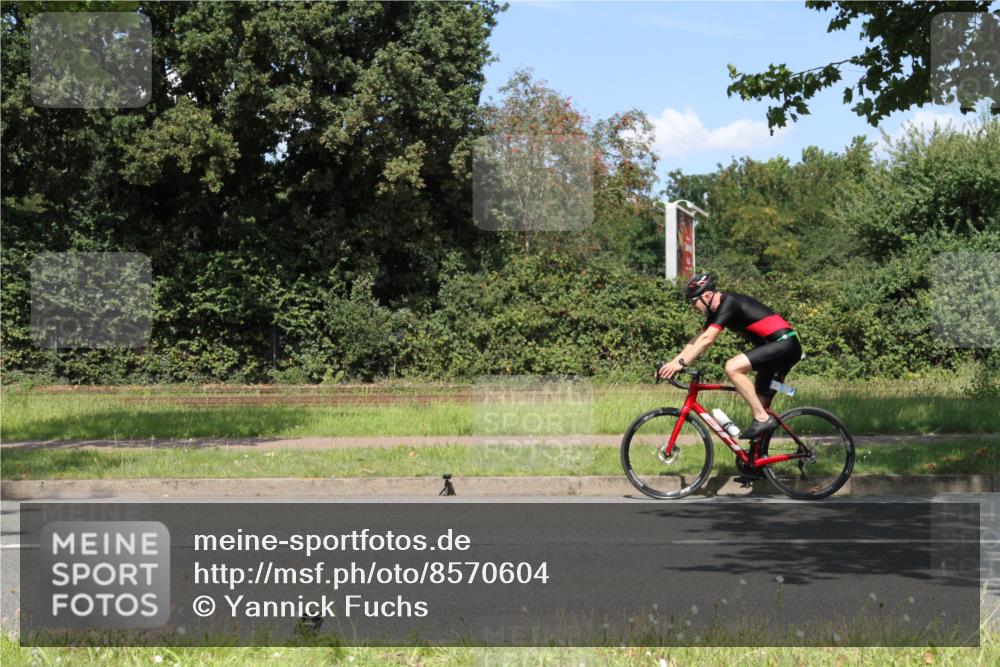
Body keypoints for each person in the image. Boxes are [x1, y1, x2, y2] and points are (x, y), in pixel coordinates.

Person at [658, 273, 802, 440]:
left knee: (732, 367)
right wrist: (673, 363)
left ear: (707, 295)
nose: (693, 306)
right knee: (759, 407)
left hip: (785, 344)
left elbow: (707, 340)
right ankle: (756, 460)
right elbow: (696, 340)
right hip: (774, 348)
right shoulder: (715, 311)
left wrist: (682, 364)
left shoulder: (729, 302)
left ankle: (762, 419)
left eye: (694, 301)